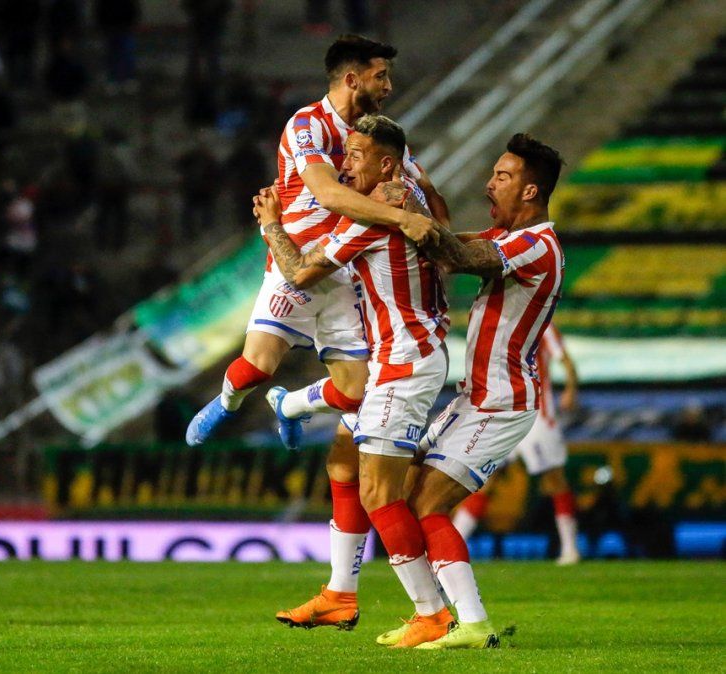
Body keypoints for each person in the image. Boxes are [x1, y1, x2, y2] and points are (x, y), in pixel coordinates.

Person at [186, 35, 448, 631]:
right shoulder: (308, 125)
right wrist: (404, 216)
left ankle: (294, 408)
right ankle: (228, 400)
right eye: (381, 75)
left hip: (343, 270)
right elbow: (328, 193)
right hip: (296, 259)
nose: (389, 85)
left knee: (353, 408)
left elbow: (430, 198)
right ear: (352, 78)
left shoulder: (383, 143)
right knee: (259, 364)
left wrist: (420, 203)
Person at [255, 115, 453, 647]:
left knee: (378, 491)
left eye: (357, 156)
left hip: (403, 360)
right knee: (343, 461)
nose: (346, 165)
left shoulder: (373, 216)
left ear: (386, 163)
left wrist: (271, 223)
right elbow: (442, 221)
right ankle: (340, 593)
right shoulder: (410, 197)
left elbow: (299, 274)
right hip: (407, 352)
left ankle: (432, 613)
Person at [404, 133, 565, 648]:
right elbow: (449, 242)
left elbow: (453, 255)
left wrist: (409, 207)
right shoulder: (509, 238)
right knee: (405, 496)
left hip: (502, 402)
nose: (488, 184)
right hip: (473, 398)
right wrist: (422, 196)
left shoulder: (535, 244)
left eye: (502, 176)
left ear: (530, 190)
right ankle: (438, 617)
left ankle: (471, 624)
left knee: (428, 505)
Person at [452, 323, 582, 565]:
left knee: (554, 479)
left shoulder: (543, 324)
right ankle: (451, 544)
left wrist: (571, 389)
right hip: (504, 416)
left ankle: (570, 548)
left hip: (537, 417)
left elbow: (565, 359)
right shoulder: (500, 322)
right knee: (485, 480)